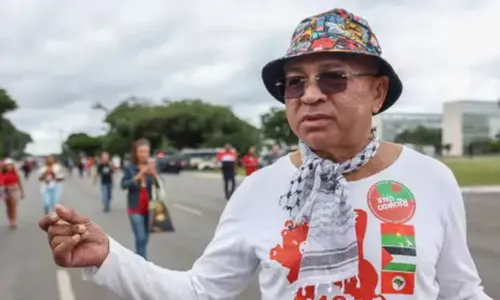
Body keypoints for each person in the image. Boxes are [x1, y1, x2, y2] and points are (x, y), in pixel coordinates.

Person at [39, 8, 491, 300]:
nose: (310, 95)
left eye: (332, 77)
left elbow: (459, 291)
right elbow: (201, 291)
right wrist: (107, 258)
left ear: (378, 92)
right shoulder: (260, 189)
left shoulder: (430, 179)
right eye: (295, 83)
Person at [119, 139, 159, 259]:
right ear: (135, 153)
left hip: (150, 206)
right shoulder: (130, 167)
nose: (144, 154)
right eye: (141, 151)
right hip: (135, 207)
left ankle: (138, 261)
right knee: (140, 237)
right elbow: (124, 185)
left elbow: (159, 185)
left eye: (146, 151)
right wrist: (139, 176)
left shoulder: (152, 166)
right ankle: (143, 267)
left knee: (145, 238)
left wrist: (154, 174)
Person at [2, 158, 24, 229]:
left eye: (10, 165)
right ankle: (10, 219)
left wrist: (22, 192)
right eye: (7, 165)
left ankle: (13, 221)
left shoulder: (16, 173)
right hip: (5, 191)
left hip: (14, 190)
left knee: (13, 206)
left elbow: (19, 183)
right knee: (8, 207)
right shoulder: (2, 173)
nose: (9, 167)